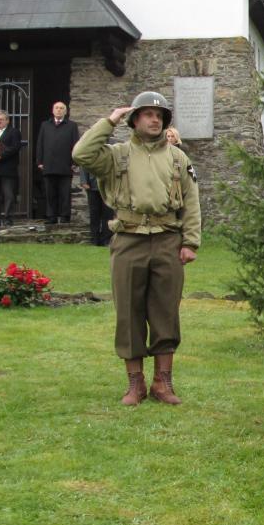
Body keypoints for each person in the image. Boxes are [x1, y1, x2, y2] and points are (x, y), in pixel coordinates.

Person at [72, 91, 201, 406]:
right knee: (128, 312)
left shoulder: (178, 158)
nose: (155, 120)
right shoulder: (116, 155)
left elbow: (192, 201)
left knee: (166, 311)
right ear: (134, 120)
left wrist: (190, 241)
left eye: (159, 116)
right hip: (129, 239)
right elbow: (81, 154)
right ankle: (135, 384)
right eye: (147, 114)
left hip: (167, 239)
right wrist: (109, 121)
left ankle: (162, 382)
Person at [37, 101, 80, 224]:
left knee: (65, 193)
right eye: (56, 108)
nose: (59, 110)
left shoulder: (72, 126)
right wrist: (39, 161)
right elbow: (40, 143)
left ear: (65, 111)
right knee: (50, 193)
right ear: (52, 110)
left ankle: (65, 216)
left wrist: (74, 162)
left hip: (65, 165)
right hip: (49, 164)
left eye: (61, 108)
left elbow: (76, 145)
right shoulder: (45, 125)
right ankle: (51, 216)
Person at [78, 162, 115, 247]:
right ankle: (94, 239)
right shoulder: (89, 155)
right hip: (92, 187)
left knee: (108, 214)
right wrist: (84, 181)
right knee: (94, 214)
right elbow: (83, 163)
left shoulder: (109, 154)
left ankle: (106, 239)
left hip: (108, 188)